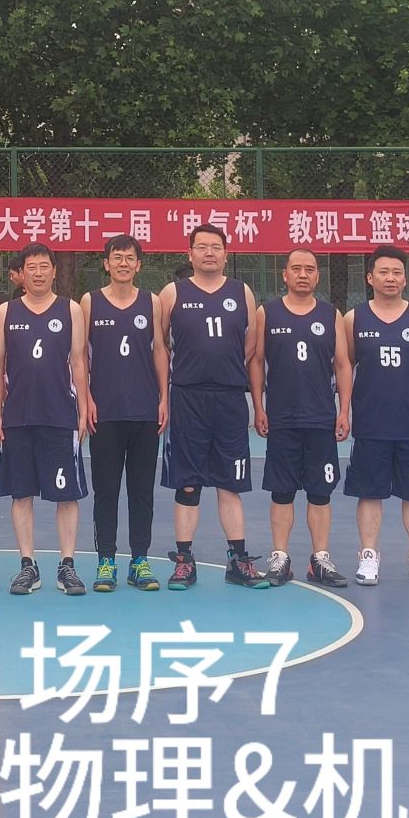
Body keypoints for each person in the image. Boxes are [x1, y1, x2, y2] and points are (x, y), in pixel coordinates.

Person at [158, 224, 268, 588]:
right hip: (188, 397)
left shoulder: (241, 291)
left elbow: (249, 346)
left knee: (229, 483)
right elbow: (161, 344)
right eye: (202, 247)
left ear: (225, 253)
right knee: (188, 484)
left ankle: (238, 559)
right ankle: (184, 561)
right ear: (189, 254)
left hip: (229, 398)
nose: (209, 252)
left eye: (215, 247)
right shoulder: (173, 292)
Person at [343, 244, 409, 586]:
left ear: (405, 279)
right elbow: (347, 364)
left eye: (397, 272)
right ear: (369, 278)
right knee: (370, 491)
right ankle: (368, 554)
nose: (391, 278)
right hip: (371, 420)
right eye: (384, 272)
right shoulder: (354, 319)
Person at [0, 243, 90, 595]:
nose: (37, 272)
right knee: (22, 494)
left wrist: (83, 409)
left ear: (54, 271)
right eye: (31, 267)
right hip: (18, 416)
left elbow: (78, 362)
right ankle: (27, 566)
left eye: (44, 266)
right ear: (21, 273)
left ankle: (67, 565)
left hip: (60, 415)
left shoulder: (70, 309)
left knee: (67, 494)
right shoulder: (5, 312)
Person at [260, 249, 352, 587]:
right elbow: (255, 361)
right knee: (282, 491)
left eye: (309, 269)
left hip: (320, 417)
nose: (303, 274)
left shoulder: (330, 314)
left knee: (320, 492)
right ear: (285, 274)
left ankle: (320, 559)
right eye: (296, 268)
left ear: (317, 276)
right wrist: (258, 406)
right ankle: (280, 557)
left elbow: (342, 364)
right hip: (282, 417)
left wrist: (344, 410)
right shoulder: (267, 313)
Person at [82, 233, 166, 592]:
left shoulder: (152, 302)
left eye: (129, 258)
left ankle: (140, 560)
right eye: (117, 257)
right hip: (104, 411)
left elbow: (159, 350)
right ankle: (106, 561)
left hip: (144, 410)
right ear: (106, 264)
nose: (123, 263)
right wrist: (86, 397)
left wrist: (164, 397)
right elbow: (80, 356)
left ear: (138, 265)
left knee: (141, 491)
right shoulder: (90, 302)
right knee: (106, 490)